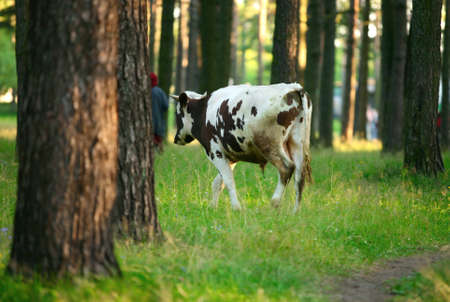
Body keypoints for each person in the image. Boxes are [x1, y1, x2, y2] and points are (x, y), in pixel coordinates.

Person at [150, 72, 169, 152]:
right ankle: (159, 146)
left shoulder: (145, 92)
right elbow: (166, 106)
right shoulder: (160, 92)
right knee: (158, 136)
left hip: (149, 121)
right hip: (159, 121)